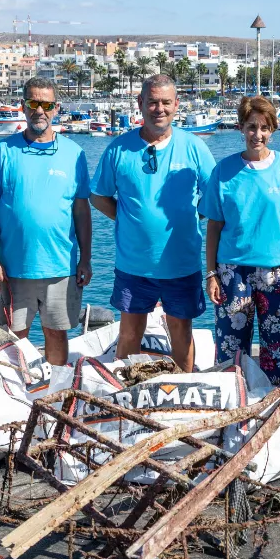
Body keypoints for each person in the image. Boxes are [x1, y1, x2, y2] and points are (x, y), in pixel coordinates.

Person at [90, 75, 216, 372]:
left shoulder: (194, 147)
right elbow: (99, 196)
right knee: (130, 333)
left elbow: (214, 198)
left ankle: (184, 392)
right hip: (133, 265)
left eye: (166, 102)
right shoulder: (118, 149)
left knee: (181, 334)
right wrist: (129, 219)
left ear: (176, 105)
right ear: (140, 104)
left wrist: (189, 218)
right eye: (152, 102)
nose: (159, 108)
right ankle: (122, 397)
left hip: (181, 265)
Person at [201, 96, 280, 385]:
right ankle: (233, 409)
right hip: (232, 272)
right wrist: (211, 274)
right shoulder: (223, 171)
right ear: (241, 128)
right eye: (252, 127)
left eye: (265, 128)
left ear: (273, 130)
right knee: (231, 350)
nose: (258, 134)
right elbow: (214, 226)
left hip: (279, 272)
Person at [0, 77, 92, 365]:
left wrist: (86, 259)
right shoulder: (3, 152)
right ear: (23, 106)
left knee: (56, 334)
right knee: (14, 338)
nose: (39, 110)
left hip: (61, 267)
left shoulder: (74, 153)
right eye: (33, 103)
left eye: (46, 104)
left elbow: (81, 211)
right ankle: (14, 396)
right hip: (13, 268)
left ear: (56, 108)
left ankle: (58, 391)